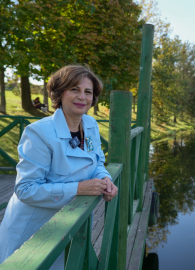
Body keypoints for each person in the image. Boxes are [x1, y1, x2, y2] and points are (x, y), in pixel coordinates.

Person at [0, 65, 118, 269]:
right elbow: (25, 189)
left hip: (71, 223)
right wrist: (79, 189)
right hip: (34, 231)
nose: (82, 96)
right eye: (74, 89)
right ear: (59, 93)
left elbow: (97, 161)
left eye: (87, 92)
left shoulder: (90, 125)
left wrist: (106, 179)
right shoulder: (39, 133)